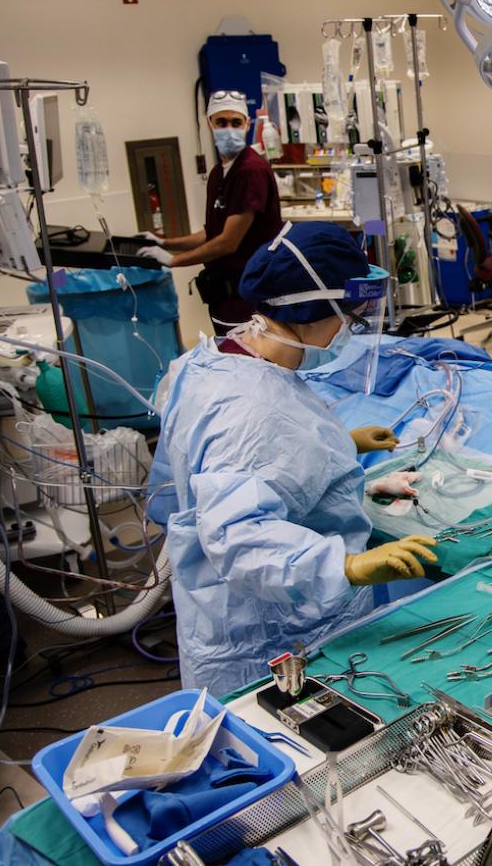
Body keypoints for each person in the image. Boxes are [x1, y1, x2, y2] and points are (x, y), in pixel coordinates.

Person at [147, 222, 431, 696]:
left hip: (222, 611)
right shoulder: (252, 411)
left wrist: (340, 443)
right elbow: (238, 539)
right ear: (309, 314)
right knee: (296, 744)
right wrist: (344, 567)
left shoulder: (214, 359)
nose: (349, 331)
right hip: (272, 635)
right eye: (348, 319)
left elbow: (183, 485)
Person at [145, 91, 285, 331]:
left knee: (250, 361)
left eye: (236, 122)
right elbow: (212, 234)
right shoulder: (219, 173)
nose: (228, 129)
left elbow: (228, 242)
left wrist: (173, 261)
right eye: (221, 122)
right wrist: (164, 242)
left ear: (247, 124)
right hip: (226, 297)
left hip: (251, 297)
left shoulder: (250, 171)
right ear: (209, 123)